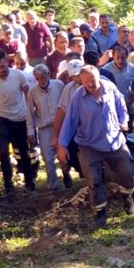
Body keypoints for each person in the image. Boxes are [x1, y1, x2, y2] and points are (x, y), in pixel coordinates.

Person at [57, 65, 134, 226]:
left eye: (93, 80)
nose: (91, 85)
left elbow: (121, 107)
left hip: (114, 140)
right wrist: (62, 144)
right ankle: (100, 212)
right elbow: (70, 122)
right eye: (86, 82)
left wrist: (123, 122)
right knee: (94, 178)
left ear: (98, 76)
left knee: (128, 172)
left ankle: (127, 197)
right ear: (81, 81)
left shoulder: (110, 88)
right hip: (89, 144)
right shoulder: (78, 98)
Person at [0, 49, 35, 197]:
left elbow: (29, 96)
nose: (1, 70)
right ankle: (8, 185)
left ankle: (29, 182)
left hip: (20, 118)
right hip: (3, 119)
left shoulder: (19, 76)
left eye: (4, 66)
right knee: (4, 153)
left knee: (24, 152)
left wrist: (31, 121)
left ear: (8, 63)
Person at [26, 64, 65, 190]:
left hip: (61, 125)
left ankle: (66, 173)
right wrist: (31, 131)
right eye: (38, 78)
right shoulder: (32, 92)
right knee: (47, 156)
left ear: (48, 74)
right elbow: (29, 112)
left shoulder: (58, 85)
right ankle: (53, 182)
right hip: (44, 127)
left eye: (43, 77)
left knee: (63, 152)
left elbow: (66, 103)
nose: (41, 80)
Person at [52, 59, 85, 187]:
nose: (78, 78)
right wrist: (56, 136)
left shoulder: (96, 83)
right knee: (70, 148)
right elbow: (61, 110)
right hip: (75, 126)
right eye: (75, 76)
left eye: (79, 74)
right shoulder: (69, 89)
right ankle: (72, 170)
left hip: (93, 126)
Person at [103, 46, 134, 131]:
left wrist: (128, 102)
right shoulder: (106, 70)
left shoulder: (131, 68)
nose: (120, 60)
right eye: (117, 58)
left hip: (130, 107)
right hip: (112, 108)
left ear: (126, 57)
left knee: (129, 132)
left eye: (123, 58)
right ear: (113, 56)